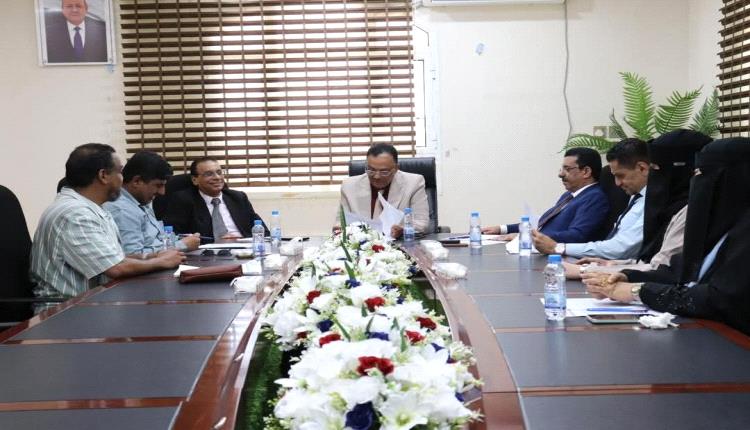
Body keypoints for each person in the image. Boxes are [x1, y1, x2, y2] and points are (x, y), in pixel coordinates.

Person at [583, 138, 750, 336]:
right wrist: (629, 276)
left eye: (701, 174)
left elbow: (720, 298)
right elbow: (679, 272)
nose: (697, 183)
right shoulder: (720, 224)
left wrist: (639, 291)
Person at [30, 144, 184, 307]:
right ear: (103, 175)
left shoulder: (92, 208)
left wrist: (153, 256)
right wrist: (162, 262)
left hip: (94, 302)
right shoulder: (75, 214)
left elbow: (113, 258)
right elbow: (116, 268)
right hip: (67, 310)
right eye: (120, 172)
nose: (123, 179)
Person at [564, 130, 712, 279]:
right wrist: (614, 265)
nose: (653, 176)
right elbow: (651, 259)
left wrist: (586, 271)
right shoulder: (662, 202)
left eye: (655, 169)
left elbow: (663, 269)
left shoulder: (691, 211)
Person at [533, 138, 649, 260]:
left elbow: (621, 248)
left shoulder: (650, 202)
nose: (617, 183)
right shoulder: (635, 197)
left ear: (642, 168)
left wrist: (557, 247)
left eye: (620, 176)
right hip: (611, 263)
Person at [483, 147, 609, 243]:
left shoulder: (594, 198)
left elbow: (577, 235)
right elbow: (543, 224)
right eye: (562, 169)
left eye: (567, 169)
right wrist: (502, 229)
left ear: (586, 172)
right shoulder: (569, 195)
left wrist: (527, 236)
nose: (560, 174)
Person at [104, 151, 200, 256]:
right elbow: (133, 256)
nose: (162, 192)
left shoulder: (141, 202)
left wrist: (181, 239)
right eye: (158, 185)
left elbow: (158, 240)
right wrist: (182, 245)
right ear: (137, 181)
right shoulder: (122, 210)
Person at [162, 157, 267, 240]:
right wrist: (218, 240)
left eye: (219, 172)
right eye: (209, 174)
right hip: (208, 254)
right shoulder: (183, 200)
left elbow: (263, 232)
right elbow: (176, 236)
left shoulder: (238, 198)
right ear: (195, 180)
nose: (217, 177)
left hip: (244, 250)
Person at [338, 143, 429, 238]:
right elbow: (340, 224)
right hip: (362, 244)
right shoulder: (349, 186)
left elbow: (422, 223)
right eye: (371, 170)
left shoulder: (414, 183)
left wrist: (403, 230)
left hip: (398, 243)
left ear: (396, 169)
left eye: (384, 172)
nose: (377, 176)